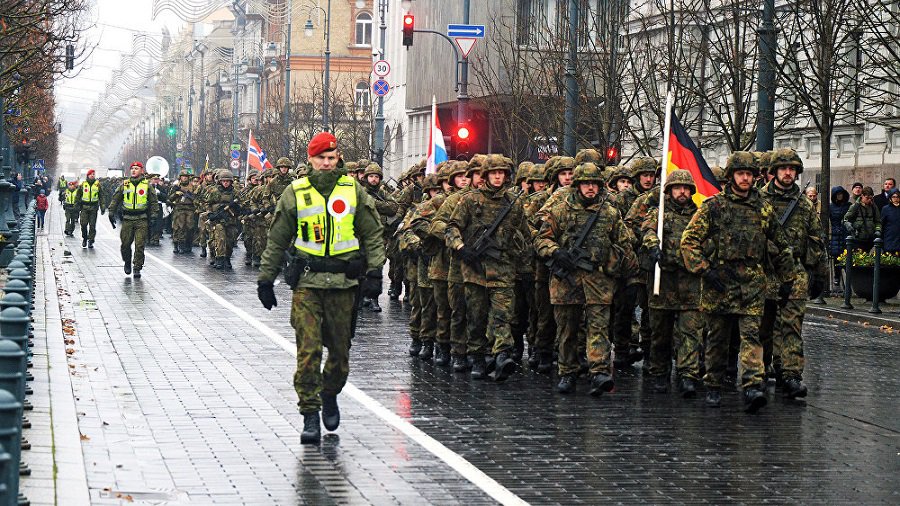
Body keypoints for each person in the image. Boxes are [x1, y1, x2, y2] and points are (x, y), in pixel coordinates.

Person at [256, 132, 385, 445]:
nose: (326, 163)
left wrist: (375, 272)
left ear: (337, 158)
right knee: (308, 352)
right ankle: (310, 414)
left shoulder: (352, 190)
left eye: (331, 158)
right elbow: (277, 239)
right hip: (308, 284)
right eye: (320, 158)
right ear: (310, 159)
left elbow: (372, 232)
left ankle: (329, 393)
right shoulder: (295, 192)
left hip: (343, 285)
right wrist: (266, 279)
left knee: (340, 355)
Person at [681, 151, 796, 414]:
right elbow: (689, 241)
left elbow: (780, 245)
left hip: (752, 284)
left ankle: (752, 385)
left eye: (749, 174)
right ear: (731, 176)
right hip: (720, 283)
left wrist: (787, 278)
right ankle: (713, 384)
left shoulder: (762, 208)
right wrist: (705, 270)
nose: (745, 178)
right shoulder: (714, 207)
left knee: (751, 336)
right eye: (740, 174)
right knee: (717, 339)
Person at [535, 162, 636, 395]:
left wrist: (621, 267)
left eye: (594, 184)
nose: (590, 188)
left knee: (598, 327)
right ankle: (567, 371)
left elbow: (625, 243)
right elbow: (541, 240)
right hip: (567, 280)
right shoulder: (560, 210)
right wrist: (556, 252)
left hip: (598, 280)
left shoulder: (610, 213)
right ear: (578, 185)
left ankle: (599, 371)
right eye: (586, 183)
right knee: (567, 328)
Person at [446, 154, 530, 382]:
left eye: (501, 173)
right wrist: (461, 248)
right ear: (486, 175)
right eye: (494, 173)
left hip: (503, 269)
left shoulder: (513, 203)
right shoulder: (470, 200)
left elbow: (525, 233)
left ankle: (501, 354)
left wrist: (524, 264)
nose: (498, 177)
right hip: (475, 270)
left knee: (502, 315)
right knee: (476, 317)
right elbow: (451, 227)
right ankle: (478, 357)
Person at [758, 148, 826, 399]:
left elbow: (816, 239)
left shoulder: (805, 205)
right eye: (783, 168)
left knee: (792, 327)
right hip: (764, 271)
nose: (788, 173)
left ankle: (791, 374)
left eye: (792, 169)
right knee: (762, 327)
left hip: (795, 271)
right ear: (774, 171)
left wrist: (819, 273)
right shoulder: (759, 200)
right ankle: (759, 371)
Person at [641, 169, 703, 398]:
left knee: (690, 332)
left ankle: (688, 374)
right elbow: (647, 231)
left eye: (686, 188)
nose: (682, 192)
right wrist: (652, 246)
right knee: (660, 332)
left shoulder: (699, 215)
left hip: (690, 282)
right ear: (669, 190)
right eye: (678, 188)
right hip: (663, 281)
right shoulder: (658, 213)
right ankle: (660, 372)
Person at [107, 161, 159, 278]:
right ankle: (127, 261)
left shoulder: (147, 185)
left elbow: (153, 202)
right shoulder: (125, 184)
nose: (134, 170)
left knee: (140, 245)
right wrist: (111, 211)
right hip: (127, 219)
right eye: (132, 168)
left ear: (141, 170)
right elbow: (116, 199)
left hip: (141, 219)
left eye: (136, 168)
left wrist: (154, 215)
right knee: (125, 245)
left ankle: (137, 267)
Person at [843, 186, 881, 252]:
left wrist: (878, 230)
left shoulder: (874, 207)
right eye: (867, 198)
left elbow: (878, 221)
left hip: (870, 238)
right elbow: (845, 219)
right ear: (862, 196)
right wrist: (848, 224)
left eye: (871, 198)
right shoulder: (855, 206)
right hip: (858, 238)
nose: (869, 200)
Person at [75, 168, 104, 248]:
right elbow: (78, 195)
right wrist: (76, 205)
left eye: (93, 174)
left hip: (94, 208)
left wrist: (103, 206)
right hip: (84, 207)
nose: (92, 175)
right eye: (91, 174)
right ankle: (85, 238)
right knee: (83, 224)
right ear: (88, 175)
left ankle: (91, 240)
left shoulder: (97, 185)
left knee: (92, 225)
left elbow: (101, 196)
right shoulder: (83, 184)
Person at [829, 186, 851, 287]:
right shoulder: (831, 207)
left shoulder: (848, 205)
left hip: (846, 233)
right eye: (837, 194)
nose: (839, 196)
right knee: (836, 257)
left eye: (841, 194)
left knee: (847, 256)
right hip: (836, 233)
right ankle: (837, 277)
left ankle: (848, 279)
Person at [881, 189, 900, 255]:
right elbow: (882, 224)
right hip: (889, 238)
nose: (896, 199)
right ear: (890, 198)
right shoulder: (886, 209)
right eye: (893, 197)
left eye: (897, 197)